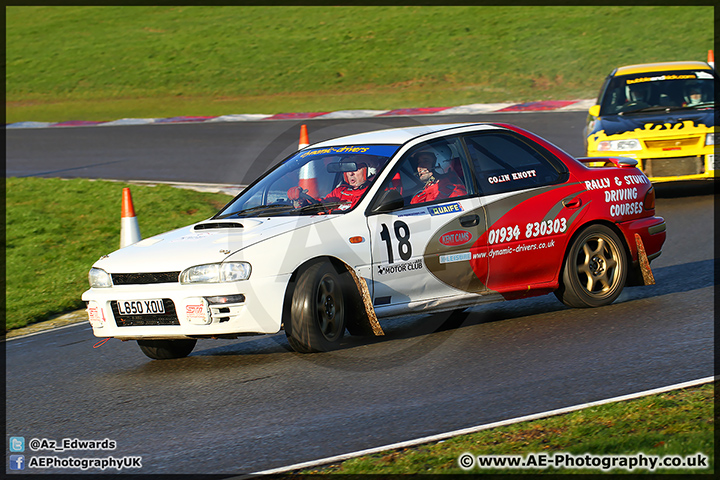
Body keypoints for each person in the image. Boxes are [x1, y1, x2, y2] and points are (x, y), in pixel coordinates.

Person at [288, 155, 374, 211]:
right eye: (347, 169)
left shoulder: (375, 191)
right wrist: (303, 202)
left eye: (355, 169)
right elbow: (323, 204)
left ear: (370, 170)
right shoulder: (340, 191)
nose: (350, 173)